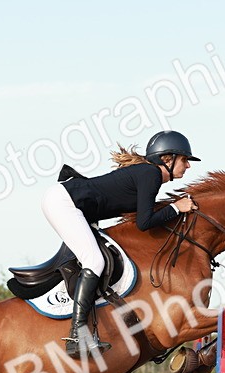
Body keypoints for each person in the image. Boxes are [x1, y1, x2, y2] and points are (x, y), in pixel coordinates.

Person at [42, 130, 199, 356]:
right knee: (94, 261)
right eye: (185, 159)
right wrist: (177, 207)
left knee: (96, 257)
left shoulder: (148, 174)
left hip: (70, 203)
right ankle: (77, 336)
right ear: (168, 158)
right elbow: (145, 223)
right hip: (65, 202)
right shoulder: (150, 174)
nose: (188, 166)